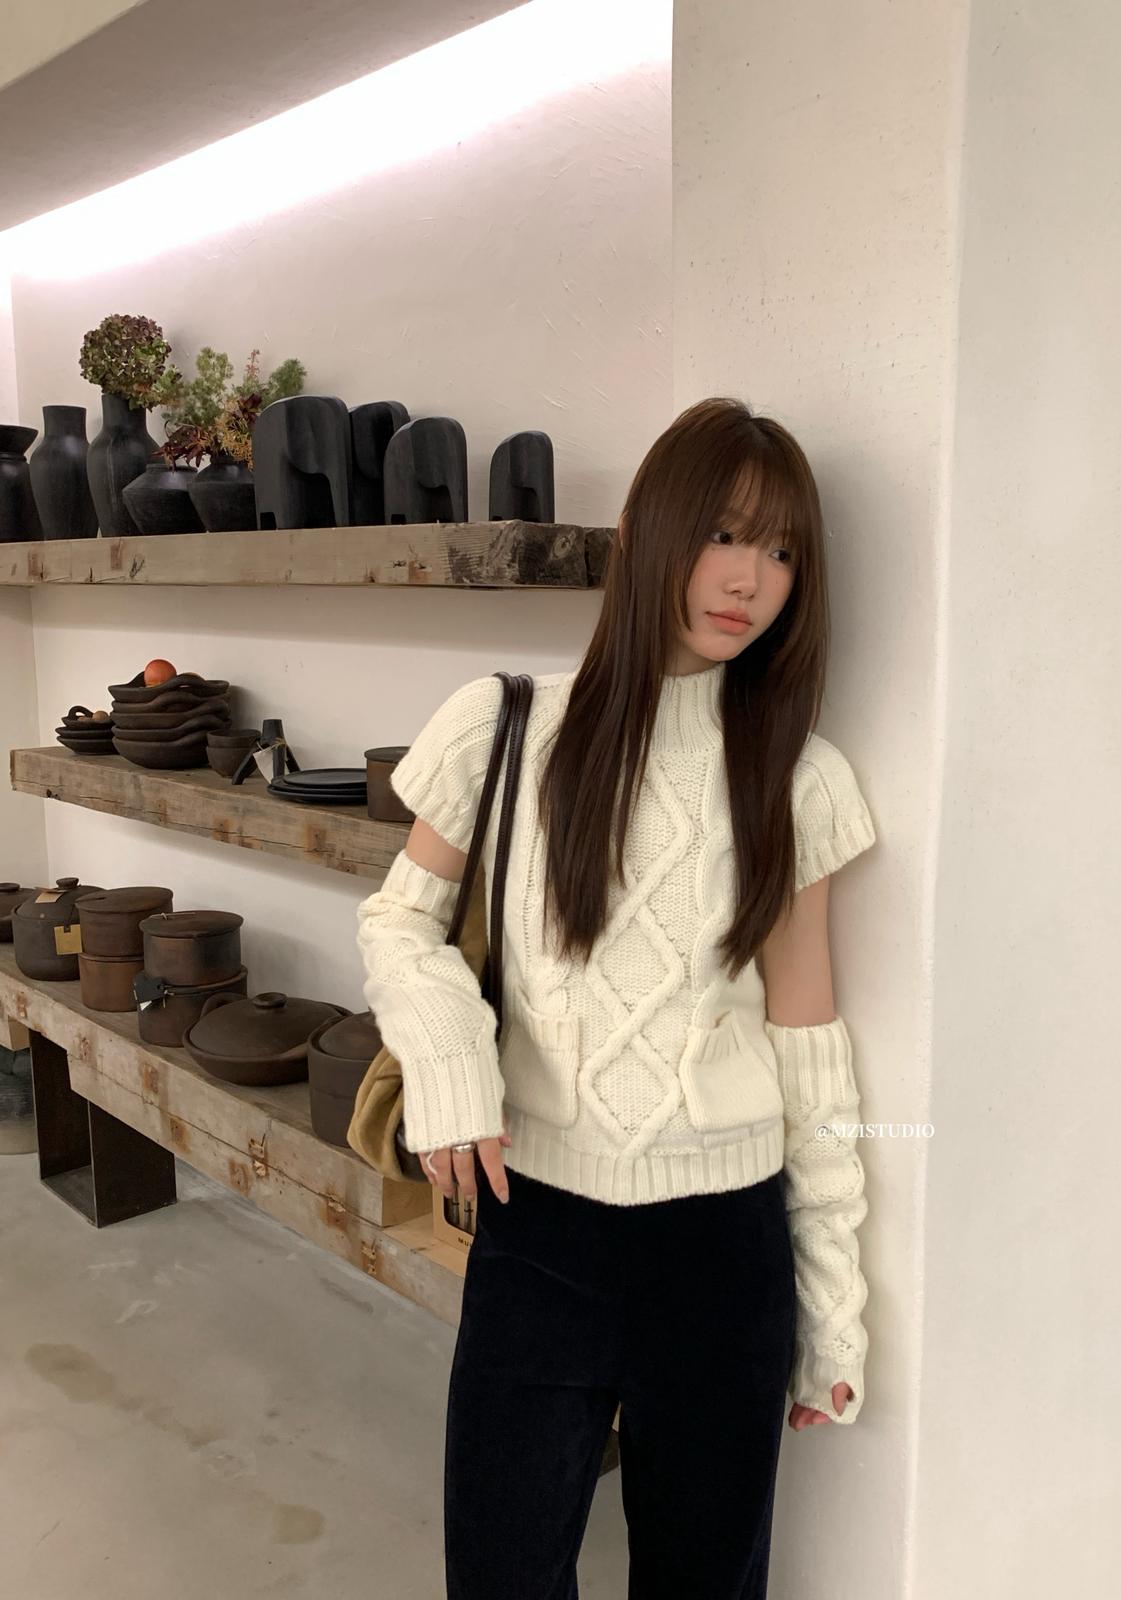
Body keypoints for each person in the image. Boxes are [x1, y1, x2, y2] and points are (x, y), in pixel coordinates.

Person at [354, 395, 877, 1600]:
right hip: (539, 1231)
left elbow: (809, 1051)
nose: (749, 578)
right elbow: (398, 922)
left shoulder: (797, 780)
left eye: (782, 550)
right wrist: (449, 1055)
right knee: (501, 1572)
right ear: (650, 531)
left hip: (725, 1252)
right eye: (724, 533)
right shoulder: (503, 727)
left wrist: (833, 1306)